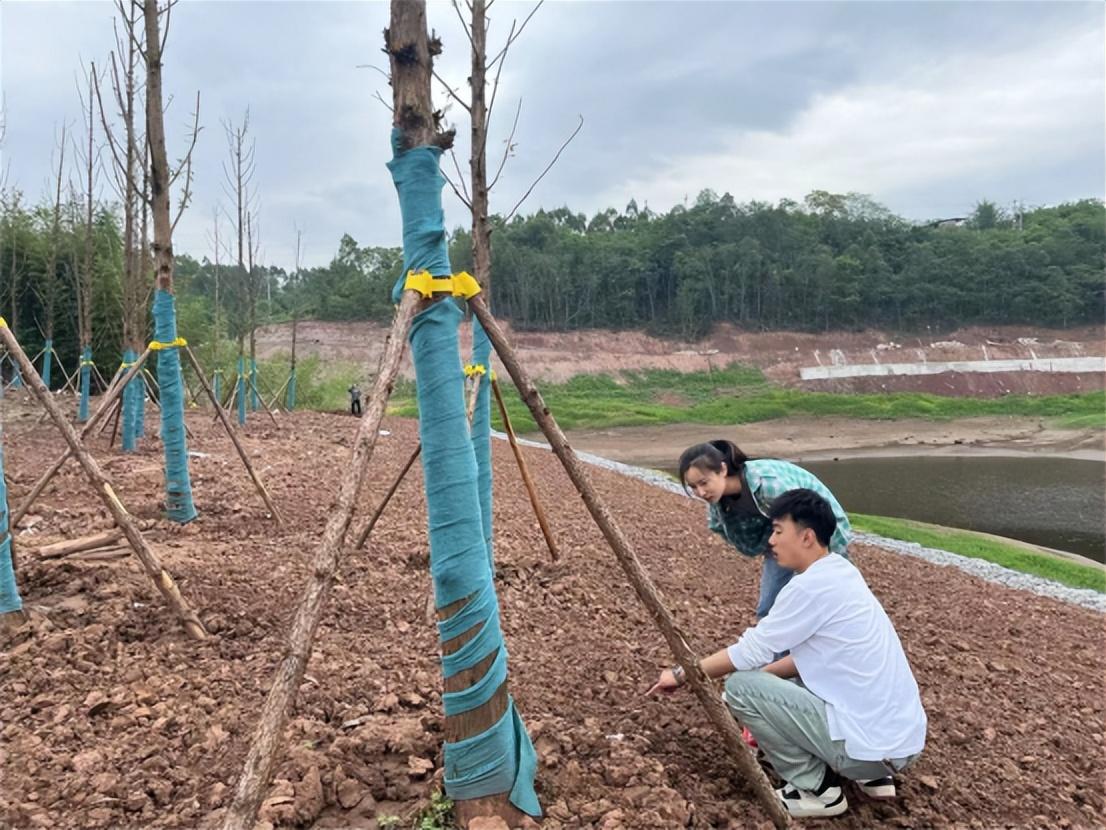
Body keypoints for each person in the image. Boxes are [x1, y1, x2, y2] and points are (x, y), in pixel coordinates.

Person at [649, 489, 926, 819]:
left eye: (779, 531)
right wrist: (767, 681)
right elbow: (818, 657)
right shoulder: (841, 572)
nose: (772, 541)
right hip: (901, 745)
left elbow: (750, 651)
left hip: (869, 746)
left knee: (740, 687)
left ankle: (818, 790)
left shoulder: (809, 587)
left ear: (807, 536)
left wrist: (681, 675)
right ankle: (873, 778)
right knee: (788, 679)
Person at [678, 440, 851, 619]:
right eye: (693, 487)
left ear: (722, 470)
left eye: (704, 483)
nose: (701, 492)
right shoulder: (718, 503)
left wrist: (838, 562)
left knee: (828, 597)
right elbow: (719, 528)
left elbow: (816, 518)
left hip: (820, 529)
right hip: (779, 536)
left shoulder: (768, 484)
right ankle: (773, 645)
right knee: (768, 609)